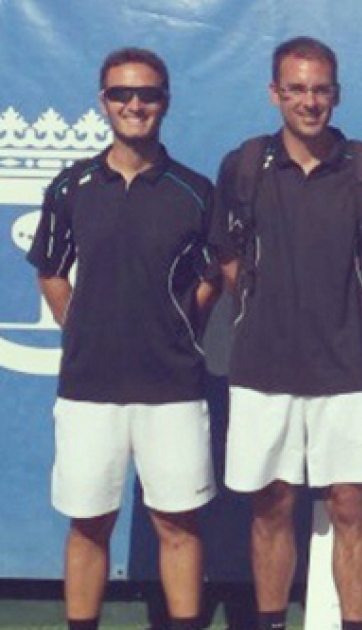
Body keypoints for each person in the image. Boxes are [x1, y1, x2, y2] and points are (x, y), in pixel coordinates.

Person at [212, 37, 362, 630]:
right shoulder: (244, 166)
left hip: (346, 370)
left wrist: (341, 318)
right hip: (263, 367)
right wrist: (269, 311)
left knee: (349, 506)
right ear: (275, 94)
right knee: (271, 507)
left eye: (321, 89)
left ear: (337, 94)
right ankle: (272, 621)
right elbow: (227, 261)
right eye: (296, 89)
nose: (309, 101)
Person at [27, 48, 217, 630]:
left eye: (148, 94)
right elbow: (52, 271)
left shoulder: (194, 190)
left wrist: (176, 327)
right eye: (121, 94)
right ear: (103, 100)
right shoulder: (70, 187)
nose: (135, 105)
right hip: (90, 386)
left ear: (166, 101)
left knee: (178, 525)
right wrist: (84, 325)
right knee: (88, 524)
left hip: (173, 387)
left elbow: (211, 278)